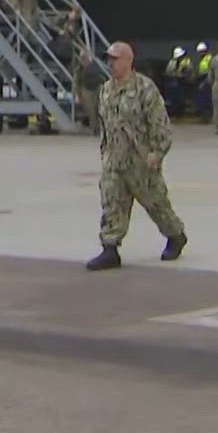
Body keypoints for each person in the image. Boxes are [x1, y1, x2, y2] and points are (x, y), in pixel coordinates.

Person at [85, 41, 186, 271]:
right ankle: (110, 248)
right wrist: (105, 151)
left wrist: (157, 153)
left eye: (115, 59)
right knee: (112, 204)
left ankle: (176, 235)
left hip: (140, 161)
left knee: (157, 205)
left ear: (128, 61)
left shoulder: (144, 88)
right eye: (109, 59)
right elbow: (105, 124)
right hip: (114, 160)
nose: (111, 64)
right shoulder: (106, 90)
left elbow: (160, 123)